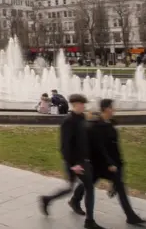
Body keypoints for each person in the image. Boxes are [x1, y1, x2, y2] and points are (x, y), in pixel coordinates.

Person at [70, 99, 146, 226]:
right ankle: (74, 201)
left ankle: (130, 216)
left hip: (109, 163)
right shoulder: (97, 125)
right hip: (100, 164)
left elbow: (114, 147)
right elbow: (99, 147)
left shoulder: (109, 124)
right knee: (91, 184)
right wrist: (110, 164)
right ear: (107, 108)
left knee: (113, 185)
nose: (114, 110)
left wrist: (120, 163)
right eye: (112, 107)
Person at [40, 94, 105, 229]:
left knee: (70, 188)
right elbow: (64, 147)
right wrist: (72, 165)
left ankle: (47, 199)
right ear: (74, 105)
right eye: (81, 104)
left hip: (83, 161)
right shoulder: (68, 122)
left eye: (84, 104)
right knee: (88, 187)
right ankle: (89, 221)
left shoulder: (82, 118)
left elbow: (83, 139)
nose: (84, 106)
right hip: (75, 163)